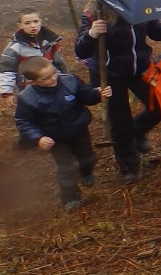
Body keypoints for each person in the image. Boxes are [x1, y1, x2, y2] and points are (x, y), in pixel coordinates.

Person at [75, 2, 161, 185]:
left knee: (160, 105)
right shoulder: (95, 11)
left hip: (139, 68)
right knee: (120, 121)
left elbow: (155, 31)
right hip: (108, 73)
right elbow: (81, 50)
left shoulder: (141, 4)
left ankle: (137, 131)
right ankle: (129, 167)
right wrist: (91, 34)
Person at [14, 56, 112, 210]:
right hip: (55, 138)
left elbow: (86, 96)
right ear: (32, 82)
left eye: (54, 73)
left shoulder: (70, 81)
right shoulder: (27, 98)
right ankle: (70, 197)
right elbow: (24, 122)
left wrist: (98, 94)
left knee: (88, 159)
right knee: (67, 167)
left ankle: (85, 172)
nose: (53, 78)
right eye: (46, 78)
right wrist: (38, 138)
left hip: (79, 130)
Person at [0, 8, 68, 109]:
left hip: (53, 82)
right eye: (27, 23)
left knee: (58, 107)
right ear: (20, 25)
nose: (33, 25)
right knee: (35, 110)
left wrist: (65, 78)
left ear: (41, 22)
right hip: (30, 87)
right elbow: (6, 70)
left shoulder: (50, 41)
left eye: (36, 21)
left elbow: (58, 62)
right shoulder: (15, 47)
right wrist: (7, 92)